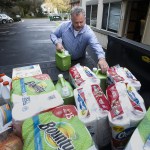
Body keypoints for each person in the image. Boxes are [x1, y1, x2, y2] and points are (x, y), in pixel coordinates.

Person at [50, 6, 109, 73]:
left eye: (81, 22)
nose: (79, 25)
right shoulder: (64, 26)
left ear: (85, 19)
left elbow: (96, 45)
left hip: (80, 61)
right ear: (71, 19)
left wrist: (102, 59)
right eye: (76, 22)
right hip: (64, 59)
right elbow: (53, 34)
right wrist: (57, 43)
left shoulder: (88, 32)